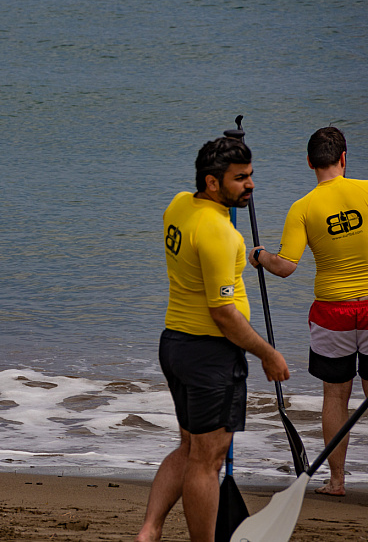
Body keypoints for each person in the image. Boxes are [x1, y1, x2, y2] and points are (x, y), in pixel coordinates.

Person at [136, 137, 290, 542]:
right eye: (240, 178)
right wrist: (267, 353)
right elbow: (223, 314)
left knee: (189, 447)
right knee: (208, 460)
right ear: (212, 182)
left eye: (251, 175)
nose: (250, 185)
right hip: (210, 354)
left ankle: (149, 531)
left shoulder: (178, 204)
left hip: (175, 344)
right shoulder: (221, 235)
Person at [248, 126, 368, 497]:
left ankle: (336, 481)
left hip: (332, 314)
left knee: (336, 397)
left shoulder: (302, 208)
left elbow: (285, 266)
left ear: (309, 163)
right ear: (344, 158)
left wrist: (259, 256)